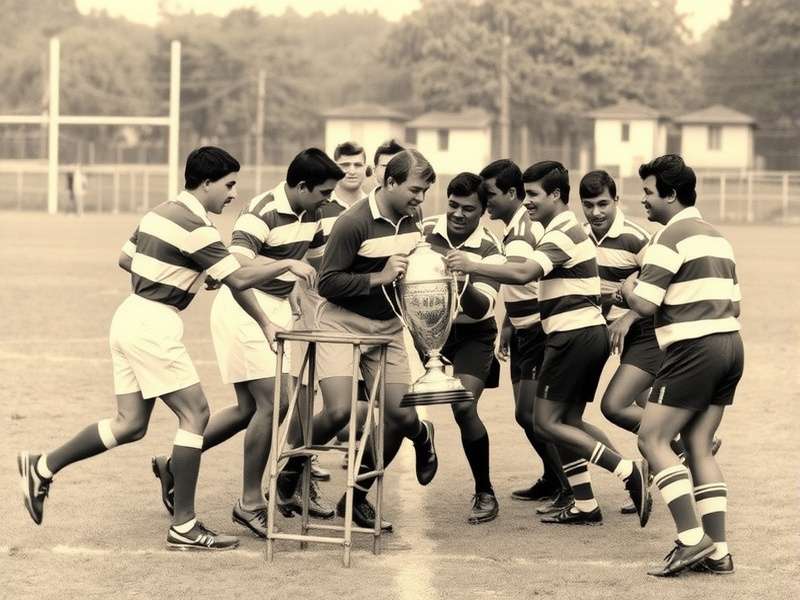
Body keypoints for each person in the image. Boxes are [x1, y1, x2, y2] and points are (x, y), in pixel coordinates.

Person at [18, 146, 313, 550]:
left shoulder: (159, 211)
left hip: (130, 315)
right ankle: (184, 526)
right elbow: (239, 279)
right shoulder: (198, 226)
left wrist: (187, 270)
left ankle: (43, 465)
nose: (232, 194)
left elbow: (127, 259)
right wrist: (286, 265)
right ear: (206, 183)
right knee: (196, 413)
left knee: (130, 424)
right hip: (154, 323)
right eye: (228, 185)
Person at [445, 160, 651, 527]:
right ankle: (585, 504)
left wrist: (471, 265)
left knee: (545, 422)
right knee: (565, 420)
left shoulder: (562, 231)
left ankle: (627, 471)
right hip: (576, 335)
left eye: (534, 194)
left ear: (556, 195)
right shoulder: (558, 228)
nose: (527, 202)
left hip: (574, 336)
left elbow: (524, 272)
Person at [150, 148, 343, 538]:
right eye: (323, 192)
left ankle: (174, 463)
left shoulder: (317, 214)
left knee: (247, 410)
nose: (328, 199)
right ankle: (250, 503)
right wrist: (286, 268)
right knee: (277, 402)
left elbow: (316, 270)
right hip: (244, 307)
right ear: (301, 186)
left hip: (278, 309)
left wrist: (309, 303)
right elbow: (236, 266)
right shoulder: (262, 210)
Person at [279, 149, 439, 531]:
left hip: (388, 328)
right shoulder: (353, 222)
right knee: (338, 411)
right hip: (341, 324)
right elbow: (329, 282)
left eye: (425, 191)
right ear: (390, 182)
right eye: (415, 190)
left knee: (400, 417)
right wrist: (378, 277)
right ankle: (291, 470)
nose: (420, 199)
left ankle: (359, 496)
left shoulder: (413, 219)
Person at [622, 154, 743, 576]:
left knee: (652, 440)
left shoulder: (670, 238)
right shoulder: (717, 236)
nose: (644, 202)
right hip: (730, 345)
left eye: (649, 193)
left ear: (672, 195)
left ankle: (692, 540)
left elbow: (644, 302)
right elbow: (736, 302)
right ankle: (719, 552)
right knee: (696, 443)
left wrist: (626, 287)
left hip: (695, 349)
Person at [478, 159, 571, 512]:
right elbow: (519, 287)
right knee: (526, 414)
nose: (486, 201)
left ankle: (568, 486)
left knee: (537, 415)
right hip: (521, 331)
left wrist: (472, 266)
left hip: (538, 332)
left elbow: (522, 276)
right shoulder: (513, 228)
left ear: (512, 193)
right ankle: (552, 477)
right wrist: (506, 324)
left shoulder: (524, 231)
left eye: (490, 194)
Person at [419, 172, 504, 523]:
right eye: (453, 205)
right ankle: (421, 439)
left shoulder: (490, 249)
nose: (457, 214)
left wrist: (462, 280)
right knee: (399, 410)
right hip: (423, 332)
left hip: (471, 334)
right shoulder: (422, 231)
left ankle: (485, 491)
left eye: (468, 209)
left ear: (483, 211)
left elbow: (482, 308)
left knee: (463, 407)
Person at [579, 170, 662, 514]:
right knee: (649, 410)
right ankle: (679, 448)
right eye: (588, 205)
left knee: (618, 407)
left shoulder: (637, 238)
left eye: (603, 203)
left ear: (617, 201)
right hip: (599, 332)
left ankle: (683, 444)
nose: (596, 212)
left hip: (642, 332)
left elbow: (657, 292)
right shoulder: (579, 238)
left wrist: (628, 314)